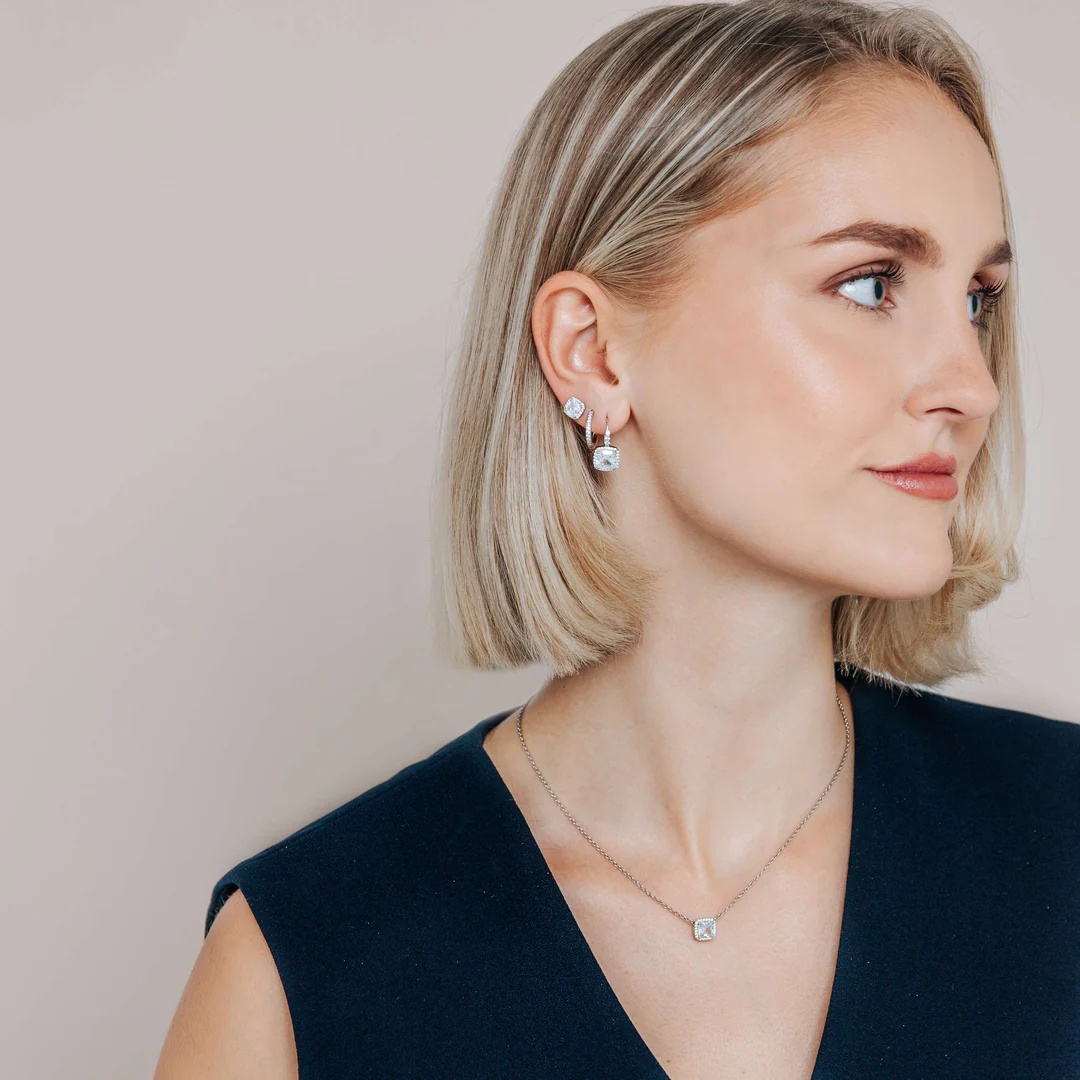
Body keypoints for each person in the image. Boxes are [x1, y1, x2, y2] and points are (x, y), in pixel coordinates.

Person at [155, 2, 1080, 1077]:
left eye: (977, 300)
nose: (971, 385)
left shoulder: (1061, 841)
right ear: (591, 350)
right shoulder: (303, 960)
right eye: (870, 284)